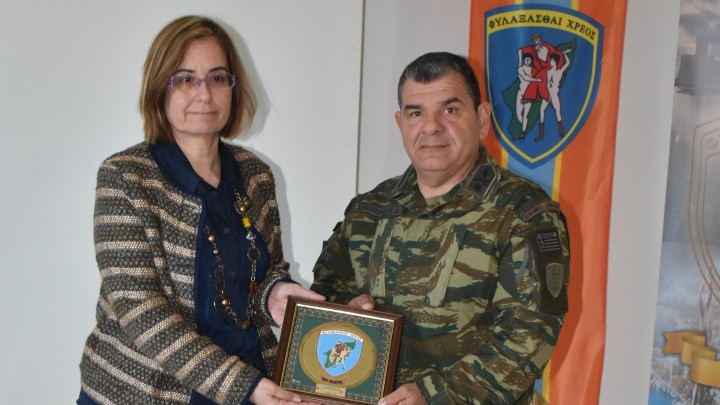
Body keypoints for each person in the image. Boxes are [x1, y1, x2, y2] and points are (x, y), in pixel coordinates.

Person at [77, 16, 324, 405]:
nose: (204, 94)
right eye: (185, 79)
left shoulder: (255, 175)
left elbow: (261, 274)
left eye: (217, 78)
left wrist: (274, 293)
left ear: (233, 87)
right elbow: (140, 309)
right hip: (144, 392)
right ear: (159, 88)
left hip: (250, 380)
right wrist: (243, 386)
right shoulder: (124, 177)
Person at [311, 52, 570, 405]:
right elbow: (325, 293)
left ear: (481, 119)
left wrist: (435, 395)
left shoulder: (524, 212)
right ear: (400, 123)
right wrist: (347, 308)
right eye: (416, 113)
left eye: (449, 109)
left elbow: (530, 334)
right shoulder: (369, 209)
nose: (431, 126)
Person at [536, 50, 572, 142]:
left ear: (555, 62)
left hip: (554, 94)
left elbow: (568, 63)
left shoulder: (559, 71)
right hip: (548, 93)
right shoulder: (548, 72)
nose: (550, 62)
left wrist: (564, 54)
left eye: (552, 60)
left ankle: (561, 131)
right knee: (541, 110)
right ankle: (541, 133)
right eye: (550, 60)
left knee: (558, 112)